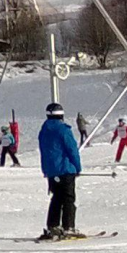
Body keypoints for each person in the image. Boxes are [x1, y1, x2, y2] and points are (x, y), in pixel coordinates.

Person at [37, 103, 83, 241]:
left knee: (56, 198)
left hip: (51, 170)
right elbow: (72, 149)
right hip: (65, 169)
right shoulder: (63, 130)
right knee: (68, 198)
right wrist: (77, 167)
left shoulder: (44, 131)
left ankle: (53, 225)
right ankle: (68, 226)